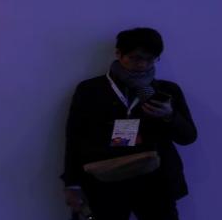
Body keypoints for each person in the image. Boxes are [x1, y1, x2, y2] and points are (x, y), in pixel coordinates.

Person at [61, 27, 197, 220]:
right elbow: (74, 138)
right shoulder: (91, 90)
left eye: (150, 59)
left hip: (156, 183)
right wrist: (72, 183)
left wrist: (170, 116)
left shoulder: (166, 90)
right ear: (118, 53)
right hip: (104, 182)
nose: (142, 65)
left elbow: (188, 137)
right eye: (135, 58)